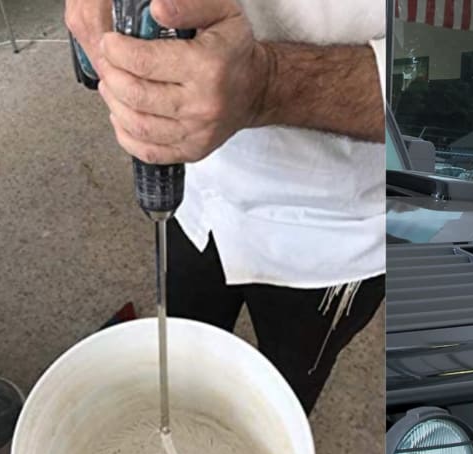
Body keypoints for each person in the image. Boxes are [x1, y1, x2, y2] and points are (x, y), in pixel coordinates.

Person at [64, 0, 386, 413]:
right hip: (195, 195)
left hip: (329, 231)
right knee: (183, 349)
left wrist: (267, 84)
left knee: (282, 393)